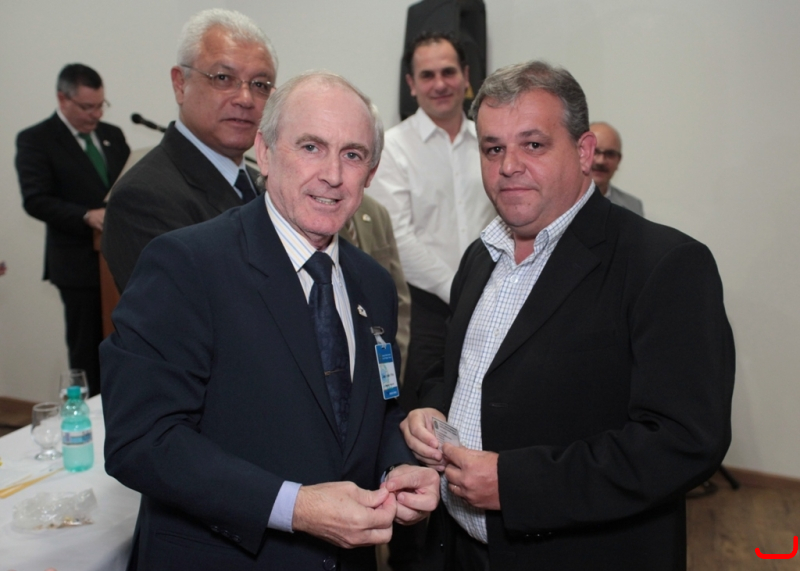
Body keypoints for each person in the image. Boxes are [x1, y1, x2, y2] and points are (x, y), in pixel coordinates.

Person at [401, 60, 735, 570]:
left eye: (533, 144)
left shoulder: (663, 264)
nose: (508, 165)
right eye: (493, 148)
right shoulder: (480, 256)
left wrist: (516, 484)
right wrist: (431, 411)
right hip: (460, 552)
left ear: (583, 152)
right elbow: (463, 375)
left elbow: (684, 441)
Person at [101, 71, 440, 570]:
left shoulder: (373, 284)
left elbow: (380, 410)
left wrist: (399, 469)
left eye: (352, 155)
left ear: (370, 174)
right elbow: (141, 439)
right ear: (264, 153)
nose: (332, 174)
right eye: (310, 147)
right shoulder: (187, 265)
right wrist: (295, 507)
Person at [102, 8, 276, 291]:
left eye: (260, 84)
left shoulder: (265, 184)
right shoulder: (143, 198)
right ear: (180, 83)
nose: (246, 99)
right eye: (223, 78)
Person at [368, 32, 495, 413]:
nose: (439, 84)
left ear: (466, 76)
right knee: (426, 415)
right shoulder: (392, 147)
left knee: (486, 408)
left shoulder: (492, 144)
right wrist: (459, 289)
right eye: (427, 75)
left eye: (448, 72)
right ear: (411, 84)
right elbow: (399, 239)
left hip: (491, 301)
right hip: (424, 312)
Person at [15, 63, 130, 396]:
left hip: (120, 259)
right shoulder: (36, 139)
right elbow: (36, 199)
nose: (96, 114)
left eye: (100, 105)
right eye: (87, 107)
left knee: (126, 342)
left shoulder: (112, 135)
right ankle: (89, 413)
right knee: (87, 348)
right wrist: (85, 215)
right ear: (62, 99)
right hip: (77, 264)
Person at [339, 195, 412, 383]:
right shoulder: (312, 216)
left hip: (381, 377)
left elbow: (399, 300)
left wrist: (393, 371)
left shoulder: (375, 212)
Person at [590, 121, 644, 215]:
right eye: (594, 151)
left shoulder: (633, 207)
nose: (601, 161)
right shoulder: (562, 201)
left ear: (618, 160)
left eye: (610, 154)